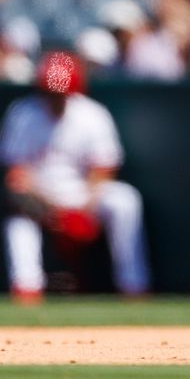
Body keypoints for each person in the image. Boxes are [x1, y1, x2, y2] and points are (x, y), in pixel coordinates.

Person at [1, 52, 150, 301]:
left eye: (61, 93)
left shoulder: (91, 114)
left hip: (84, 193)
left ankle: (134, 286)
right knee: (18, 221)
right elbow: (17, 175)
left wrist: (84, 209)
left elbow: (104, 169)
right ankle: (27, 289)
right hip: (41, 196)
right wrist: (51, 211)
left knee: (125, 200)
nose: (55, 99)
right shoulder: (23, 114)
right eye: (51, 93)